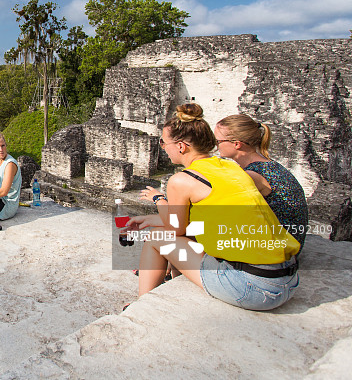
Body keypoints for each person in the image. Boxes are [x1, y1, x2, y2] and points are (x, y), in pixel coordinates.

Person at [127, 104, 300, 311]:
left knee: (156, 238)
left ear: (181, 146)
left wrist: (158, 200)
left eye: (163, 143)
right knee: (184, 235)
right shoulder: (231, 167)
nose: (163, 147)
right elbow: (198, 221)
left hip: (255, 288)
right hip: (288, 279)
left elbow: (176, 230)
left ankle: (142, 307)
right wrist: (152, 218)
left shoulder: (182, 180)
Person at [215, 114, 309, 250]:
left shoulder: (253, 175)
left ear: (236, 144)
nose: (216, 145)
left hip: (281, 249)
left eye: (218, 141)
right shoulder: (268, 165)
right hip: (289, 241)